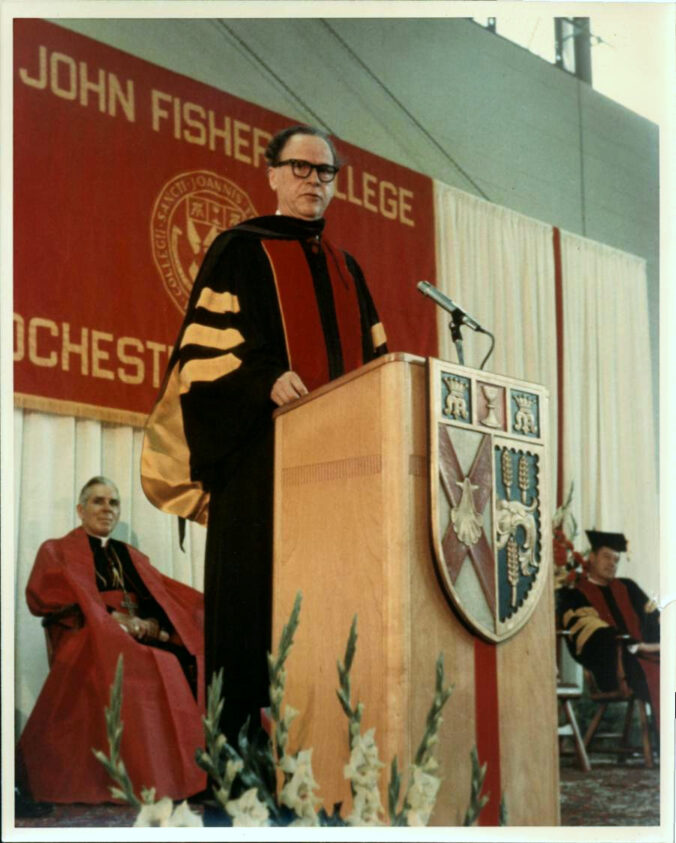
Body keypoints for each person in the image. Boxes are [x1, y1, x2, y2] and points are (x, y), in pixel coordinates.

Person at [142, 125, 388, 743]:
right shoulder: (239, 250)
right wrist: (263, 379)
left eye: (324, 172)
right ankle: (240, 769)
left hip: (339, 479)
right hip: (258, 469)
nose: (313, 181)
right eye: (300, 168)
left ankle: (329, 755)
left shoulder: (347, 269)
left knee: (331, 618)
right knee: (252, 619)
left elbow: (379, 367)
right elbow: (201, 357)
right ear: (272, 174)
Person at [16, 477, 206, 804]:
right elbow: (47, 598)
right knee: (147, 661)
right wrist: (110, 619)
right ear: (80, 509)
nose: (107, 509)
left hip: (137, 632)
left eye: (113, 503)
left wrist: (148, 623)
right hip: (90, 633)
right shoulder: (57, 550)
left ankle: (182, 777)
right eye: (98, 501)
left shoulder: (131, 555)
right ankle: (140, 780)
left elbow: (159, 598)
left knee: (183, 656)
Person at [558, 529, 660, 731]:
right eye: (606, 557)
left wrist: (659, 643)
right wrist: (633, 646)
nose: (612, 563)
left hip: (644, 657)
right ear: (592, 557)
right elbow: (591, 634)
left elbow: (654, 620)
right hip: (612, 668)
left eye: (616, 559)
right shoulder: (575, 594)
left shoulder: (628, 587)